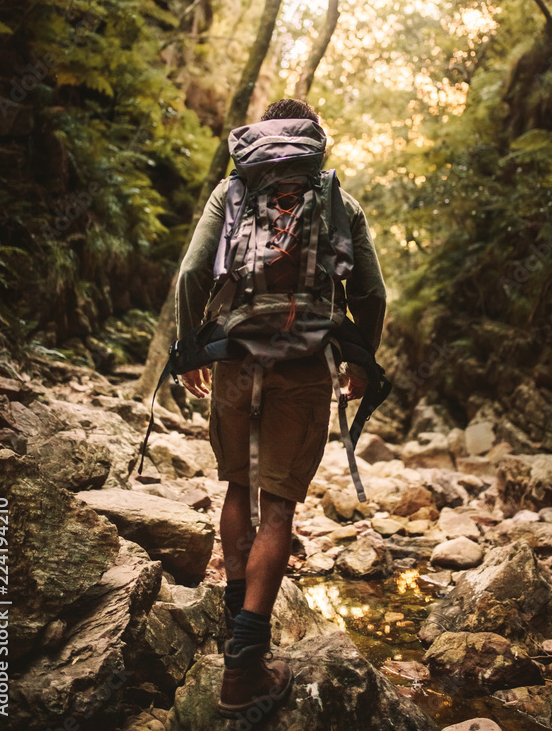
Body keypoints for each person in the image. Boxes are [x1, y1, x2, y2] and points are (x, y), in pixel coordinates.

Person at [175, 98, 386, 717]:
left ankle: (237, 643)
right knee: (279, 512)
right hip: (303, 366)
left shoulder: (232, 191)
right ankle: (244, 668)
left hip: (237, 356)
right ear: (314, 139)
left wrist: (189, 351)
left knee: (237, 492)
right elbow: (370, 291)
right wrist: (359, 360)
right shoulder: (336, 200)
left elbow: (192, 273)